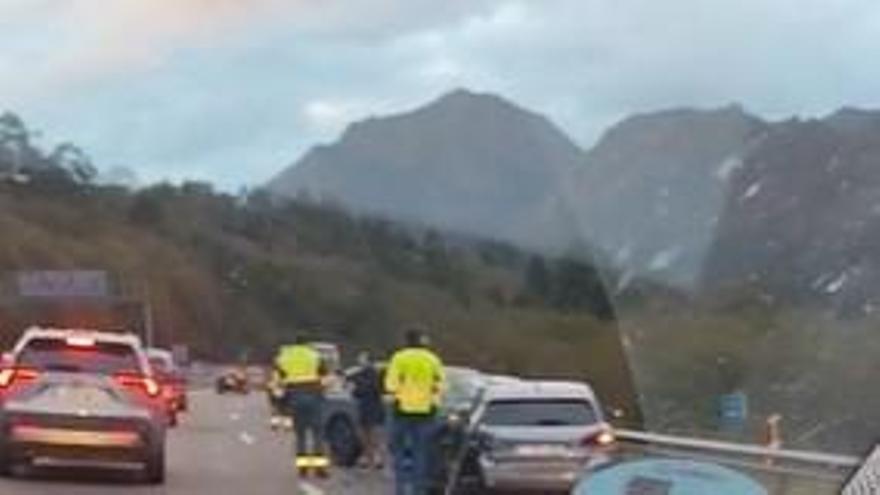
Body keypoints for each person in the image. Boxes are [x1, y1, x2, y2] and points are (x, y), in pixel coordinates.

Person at [385, 327, 446, 495]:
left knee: (398, 452)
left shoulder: (399, 358)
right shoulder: (433, 359)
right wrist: (433, 400)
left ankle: (400, 490)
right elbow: (441, 385)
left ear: (407, 341)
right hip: (426, 411)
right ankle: (419, 490)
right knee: (421, 453)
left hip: (402, 410)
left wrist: (398, 396)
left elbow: (390, 385)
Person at [275, 336, 329, 478]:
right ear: (307, 343)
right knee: (318, 433)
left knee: (300, 434)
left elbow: (279, 376)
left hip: (294, 395)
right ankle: (320, 469)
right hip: (313, 393)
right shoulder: (315, 355)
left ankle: (303, 468)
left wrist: (282, 396)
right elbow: (324, 374)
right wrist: (322, 389)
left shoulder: (285, 357)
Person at [347, 351, 386, 469]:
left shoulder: (373, 374)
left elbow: (372, 388)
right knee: (365, 433)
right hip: (366, 405)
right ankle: (369, 456)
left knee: (372, 433)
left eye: (362, 359)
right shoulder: (361, 373)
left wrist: (356, 388)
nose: (359, 361)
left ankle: (375, 457)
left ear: (368, 360)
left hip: (372, 405)